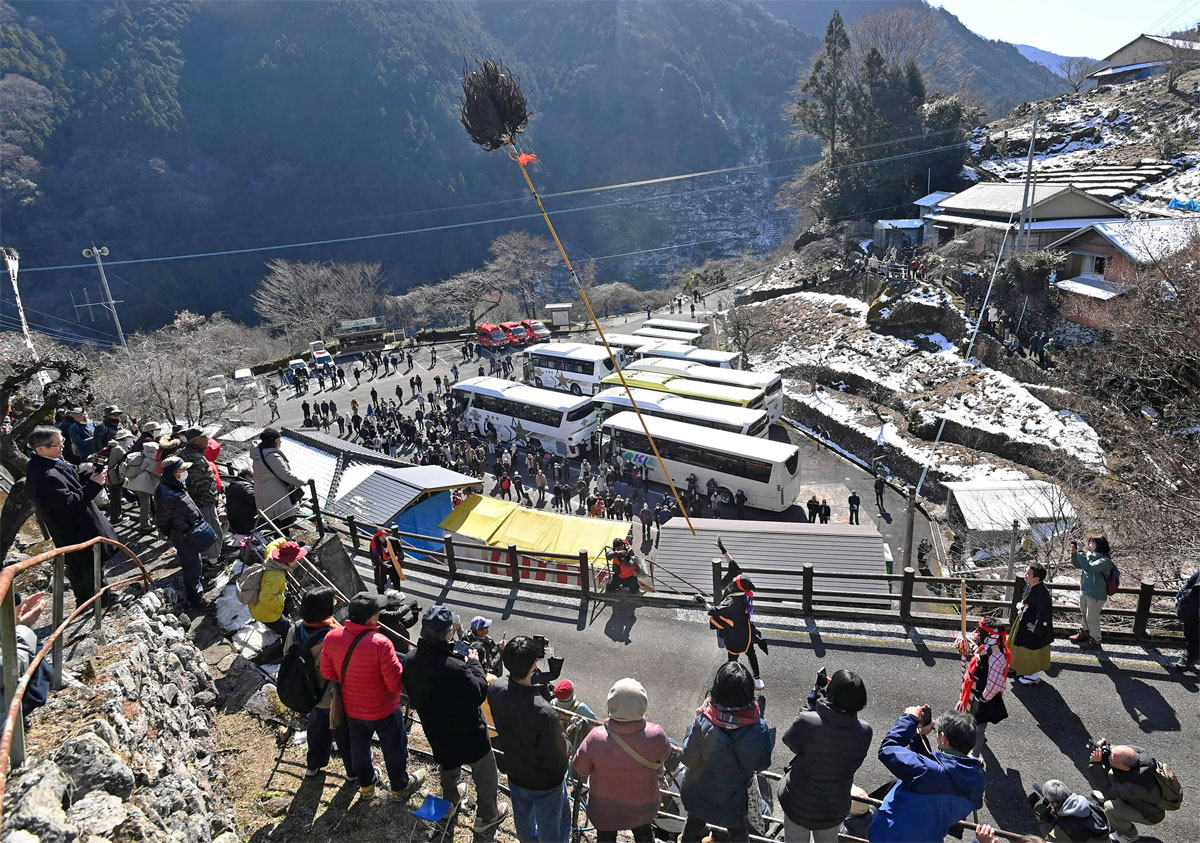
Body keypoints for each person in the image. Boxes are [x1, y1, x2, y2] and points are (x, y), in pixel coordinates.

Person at [403, 606, 510, 832]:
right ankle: (487, 815)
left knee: (448, 765)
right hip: (469, 731)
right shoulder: (456, 666)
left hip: (435, 728)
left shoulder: (411, 659)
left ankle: (450, 802)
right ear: (448, 634)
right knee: (485, 771)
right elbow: (479, 691)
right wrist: (474, 663)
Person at [319, 591, 426, 802]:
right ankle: (399, 787)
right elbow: (395, 683)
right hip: (383, 709)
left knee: (359, 746)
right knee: (394, 747)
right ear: (372, 617)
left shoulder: (332, 637)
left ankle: (366, 787)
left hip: (352, 707)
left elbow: (328, 673)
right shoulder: (381, 643)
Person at [487, 635, 571, 843]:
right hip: (545, 783)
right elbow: (562, 754)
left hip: (516, 770)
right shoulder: (545, 712)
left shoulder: (495, 689)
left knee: (524, 821)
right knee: (553, 827)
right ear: (534, 664)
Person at [679, 662, 773, 843]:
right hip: (734, 801)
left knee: (693, 825)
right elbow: (762, 764)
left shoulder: (702, 722)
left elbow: (688, 757)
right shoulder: (758, 728)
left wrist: (695, 721)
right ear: (748, 693)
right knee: (738, 832)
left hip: (699, 794)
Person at [25, 426, 117, 606]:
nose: (62, 447)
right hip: (75, 528)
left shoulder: (47, 463)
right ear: (41, 448)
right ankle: (102, 602)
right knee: (89, 564)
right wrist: (94, 485)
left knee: (79, 565)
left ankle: (84, 601)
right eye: (58, 445)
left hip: (70, 528)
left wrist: (90, 473)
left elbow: (71, 480)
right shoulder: (46, 475)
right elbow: (69, 503)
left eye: (63, 443)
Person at [572, 678, 671, 843]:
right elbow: (664, 755)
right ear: (643, 704)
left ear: (611, 704)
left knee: (605, 837)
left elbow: (580, 768)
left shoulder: (596, 737)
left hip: (605, 809)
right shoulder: (656, 734)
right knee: (644, 835)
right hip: (642, 807)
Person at [778, 669, 872, 842]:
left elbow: (790, 741)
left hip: (797, 803)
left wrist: (813, 702)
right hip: (833, 807)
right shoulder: (864, 732)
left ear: (831, 693)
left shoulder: (806, 721)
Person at [868, 706, 985, 842]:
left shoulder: (927, 772)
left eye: (937, 732)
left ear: (944, 740)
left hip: (889, 837)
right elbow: (938, 775)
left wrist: (909, 719)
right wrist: (917, 736)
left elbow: (887, 750)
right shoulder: (976, 779)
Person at [284, 587, 354, 779]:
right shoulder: (335, 636)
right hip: (333, 696)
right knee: (343, 733)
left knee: (316, 731)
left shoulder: (295, 629)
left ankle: (313, 766)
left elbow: (287, 656)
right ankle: (352, 771)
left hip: (307, 693)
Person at [154, 455, 216, 607]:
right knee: (191, 565)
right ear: (173, 472)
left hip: (187, 531)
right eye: (182, 470)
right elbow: (162, 519)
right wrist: (175, 532)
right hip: (182, 535)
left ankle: (198, 587)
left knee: (196, 562)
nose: (185, 472)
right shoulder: (165, 492)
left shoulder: (174, 484)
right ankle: (196, 597)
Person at [704, 537, 766, 689]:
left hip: (733, 631)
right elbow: (733, 564)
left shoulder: (732, 602)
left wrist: (702, 602)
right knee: (751, 653)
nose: (735, 577)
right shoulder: (743, 592)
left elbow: (713, 610)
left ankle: (729, 683)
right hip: (746, 629)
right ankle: (757, 680)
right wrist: (722, 548)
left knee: (732, 658)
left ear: (737, 585)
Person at [1086, 741, 1168, 843]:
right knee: (1112, 773)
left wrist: (1095, 763)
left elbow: (1107, 789)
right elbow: (1121, 752)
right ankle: (1115, 798)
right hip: (1140, 799)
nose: (1109, 757)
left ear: (1126, 768)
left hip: (1150, 814)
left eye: (1112, 759)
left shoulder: (1135, 785)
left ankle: (1129, 836)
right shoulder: (1139, 754)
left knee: (1110, 808)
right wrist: (1105, 747)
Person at [955, 617, 1010, 759]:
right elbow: (977, 651)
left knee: (978, 726)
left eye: (981, 632)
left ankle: (974, 755)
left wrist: (983, 699)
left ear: (990, 635)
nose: (977, 634)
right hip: (973, 690)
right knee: (970, 718)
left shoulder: (997, 656)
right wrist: (966, 643)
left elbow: (994, 684)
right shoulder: (987, 647)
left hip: (982, 695)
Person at [179, 428, 222, 570]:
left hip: (194, 503)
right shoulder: (195, 459)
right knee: (211, 531)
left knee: (201, 531)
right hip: (203, 502)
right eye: (204, 438)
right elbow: (197, 484)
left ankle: (205, 558)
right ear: (196, 440)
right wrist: (212, 496)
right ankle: (213, 562)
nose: (207, 440)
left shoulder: (186, 454)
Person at [249, 540, 306, 637]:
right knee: (288, 631)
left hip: (258, 607)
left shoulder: (271, 559)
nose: (297, 560)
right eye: (296, 558)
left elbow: (271, 546)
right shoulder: (276, 577)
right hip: (266, 614)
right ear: (289, 560)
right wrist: (282, 598)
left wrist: (286, 542)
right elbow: (266, 598)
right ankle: (288, 646)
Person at [1011, 562, 1054, 684]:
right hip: (1025, 622)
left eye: (1028, 573)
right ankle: (1020, 668)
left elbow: (1045, 614)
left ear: (1037, 578)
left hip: (1032, 627)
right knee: (1021, 648)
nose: (1025, 575)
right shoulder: (1032, 586)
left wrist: (1037, 627)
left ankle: (1032, 675)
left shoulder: (1042, 594)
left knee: (1030, 651)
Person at [251, 428, 303, 528]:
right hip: (277, 496)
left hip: (263, 495)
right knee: (285, 524)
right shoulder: (272, 456)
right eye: (279, 440)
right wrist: (303, 482)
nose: (280, 443)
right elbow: (286, 475)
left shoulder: (258, 455)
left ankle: (279, 540)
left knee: (274, 525)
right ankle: (286, 541)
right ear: (274, 441)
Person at [1028, 779, 1110, 842]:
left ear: (1055, 804)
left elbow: (1053, 840)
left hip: (1078, 835)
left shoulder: (1064, 827)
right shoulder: (1089, 802)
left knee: (1044, 825)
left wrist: (1041, 819)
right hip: (1103, 838)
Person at [1069, 535, 1114, 650]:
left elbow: (1089, 568)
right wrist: (1074, 553)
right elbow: (1078, 565)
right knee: (1084, 613)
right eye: (1089, 542)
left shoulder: (1105, 561)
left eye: (1093, 543)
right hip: (1085, 590)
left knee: (1092, 618)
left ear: (1100, 545)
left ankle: (1095, 640)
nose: (1090, 545)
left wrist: (1080, 552)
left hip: (1097, 594)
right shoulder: (1089, 556)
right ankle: (1085, 632)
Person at [122, 438, 161, 534]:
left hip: (134, 483)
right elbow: (157, 473)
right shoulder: (150, 459)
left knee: (145, 504)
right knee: (145, 505)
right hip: (142, 486)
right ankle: (144, 526)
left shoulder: (141, 456)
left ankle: (146, 522)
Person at [551, 679, 597, 756]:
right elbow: (594, 724)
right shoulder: (580, 708)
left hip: (558, 742)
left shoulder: (552, 703)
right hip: (575, 744)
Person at [104, 427, 135, 524]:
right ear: (125, 438)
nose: (131, 440)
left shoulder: (113, 447)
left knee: (117, 496)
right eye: (130, 438)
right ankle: (116, 519)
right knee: (116, 498)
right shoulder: (119, 449)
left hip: (109, 476)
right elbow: (128, 461)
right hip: (115, 477)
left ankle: (117, 516)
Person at [1171, 570, 1199, 670]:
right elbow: (1187, 586)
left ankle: (1188, 658)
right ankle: (1188, 657)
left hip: (1193, 610)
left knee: (1194, 635)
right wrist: (1179, 599)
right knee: (1190, 634)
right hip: (1192, 610)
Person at [369, 529, 405, 593]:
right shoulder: (374, 544)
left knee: (396, 580)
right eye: (381, 536)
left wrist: (397, 558)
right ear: (377, 537)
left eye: (384, 535)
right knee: (380, 583)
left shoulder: (394, 541)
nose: (383, 537)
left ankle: (398, 594)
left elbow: (401, 554)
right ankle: (381, 596)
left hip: (392, 562)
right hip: (381, 564)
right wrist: (382, 563)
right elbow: (373, 557)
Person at [224, 468, 257, 536]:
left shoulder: (233, 485)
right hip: (247, 526)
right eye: (253, 478)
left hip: (235, 525)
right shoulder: (245, 486)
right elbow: (257, 501)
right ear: (247, 477)